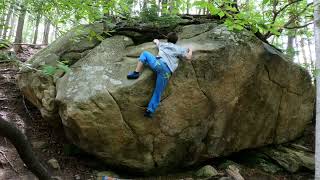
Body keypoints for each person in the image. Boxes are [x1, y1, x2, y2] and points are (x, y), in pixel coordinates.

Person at [127, 32, 193, 118]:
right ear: (176, 41)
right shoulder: (179, 49)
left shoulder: (163, 45)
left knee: (145, 54)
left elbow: (156, 42)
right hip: (167, 72)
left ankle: (136, 73)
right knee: (158, 92)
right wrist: (190, 50)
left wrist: (156, 40)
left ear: (167, 39)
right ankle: (150, 110)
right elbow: (188, 57)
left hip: (158, 64)